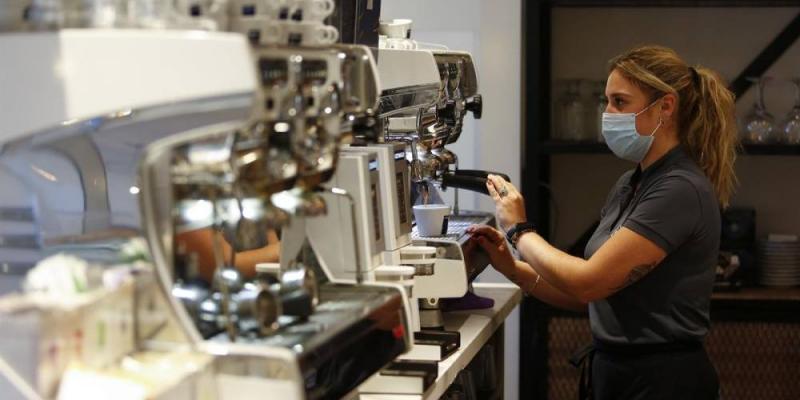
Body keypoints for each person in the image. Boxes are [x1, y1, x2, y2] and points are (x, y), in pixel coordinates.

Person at [467, 45, 737, 400]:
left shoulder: (679, 189)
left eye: (620, 102)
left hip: (663, 382)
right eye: (606, 101)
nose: (607, 113)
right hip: (619, 375)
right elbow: (596, 298)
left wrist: (519, 230)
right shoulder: (631, 184)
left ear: (666, 107)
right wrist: (514, 270)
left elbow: (588, 284)